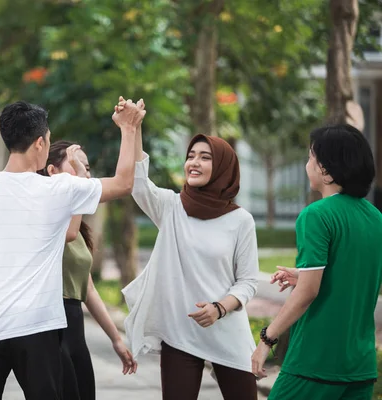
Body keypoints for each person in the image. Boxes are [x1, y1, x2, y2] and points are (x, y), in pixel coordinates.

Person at [0, 99, 144, 400]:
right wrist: (128, 128)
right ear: (39, 142)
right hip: (38, 327)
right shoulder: (59, 189)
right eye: (48, 140)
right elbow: (125, 183)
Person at [117, 98, 259, 399]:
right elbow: (139, 184)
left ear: (222, 167)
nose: (194, 162)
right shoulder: (172, 207)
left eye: (205, 157)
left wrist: (220, 308)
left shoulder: (241, 220)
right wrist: (133, 127)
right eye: (191, 155)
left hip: (227, 330)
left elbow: (248, 281)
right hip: (180, 335)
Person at [252, 124, 382, 400]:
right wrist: (304, 274)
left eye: (311, 156)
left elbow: (309, 292)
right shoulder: (376, 219)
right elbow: (359, 277)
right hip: (360, 366)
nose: (307, 163)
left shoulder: (316, 215)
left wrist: (267, 339)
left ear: (326, 169)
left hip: (315, 362)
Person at [38, 140, 138, 400]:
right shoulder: (43, 213)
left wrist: (116, 339)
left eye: (87, 167)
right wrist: (81, 184)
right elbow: (67, 234)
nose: (86, 173)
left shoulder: (78, 224)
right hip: (51, 324)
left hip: (74, 325)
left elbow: (88, 287)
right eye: (76, 165)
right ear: (52, 172)